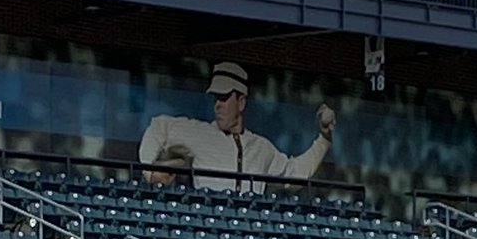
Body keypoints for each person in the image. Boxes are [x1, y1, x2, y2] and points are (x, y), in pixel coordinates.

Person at [138, 61, 335, 194]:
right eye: (216, 98)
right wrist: (149, 171)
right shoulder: (200, 133)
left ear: (241, 102)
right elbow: (159, 127)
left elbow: (295, 173)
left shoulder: (261, 148)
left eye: (224, 98)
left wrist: (324, 138)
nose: (218, 104)